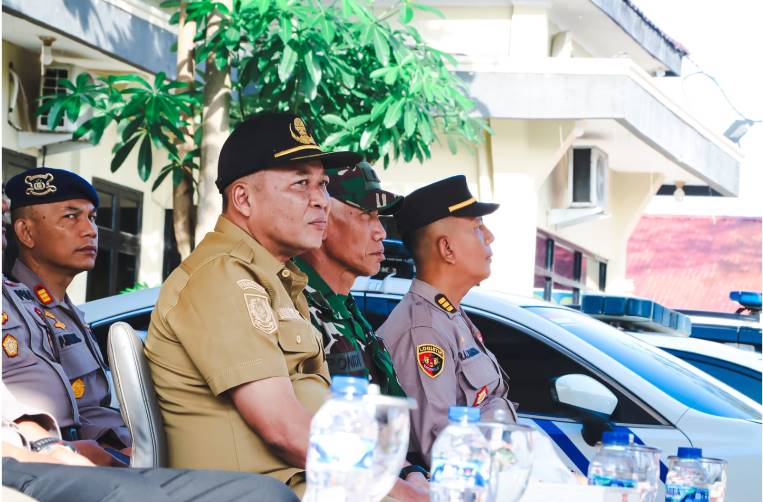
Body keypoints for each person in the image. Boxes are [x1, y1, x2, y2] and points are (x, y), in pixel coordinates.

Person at [145, 112, 360, 496]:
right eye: (301, 184)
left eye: (323, 185)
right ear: (243, 199)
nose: (322, 201)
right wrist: (393, 485)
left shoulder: (275, 279)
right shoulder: (222, 277)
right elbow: (284, 430)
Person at [296, 162, 430, 486]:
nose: (381, 231)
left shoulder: (347, 309)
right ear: (321, 219)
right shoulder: (294, 308)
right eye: (365, 216)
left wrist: (412, 473)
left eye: (379, 218)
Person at [377, 175, 517, 467]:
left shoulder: (449, 315)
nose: (490, 236)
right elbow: (442, 449)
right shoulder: (424, 329)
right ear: (447, 249)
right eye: (477, 227)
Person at [2, 170, 131, 466]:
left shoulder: (65, 311)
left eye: (92, 218)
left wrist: (120, 449)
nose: (90, 230)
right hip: (41, 463)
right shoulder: (18, 302)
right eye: (71, 217)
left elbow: (89, 411)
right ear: (26, 233)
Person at [1, 381, 300, 502]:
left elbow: (14, 411)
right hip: (13, 462)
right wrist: (40, 455)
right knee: (138, 497)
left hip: (36, 451)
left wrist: (52, 447)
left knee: (265, 495)